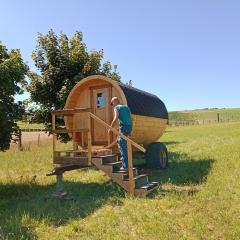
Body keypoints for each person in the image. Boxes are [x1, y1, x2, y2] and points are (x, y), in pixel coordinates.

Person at [108, 97, 132, 170]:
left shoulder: (116, 108)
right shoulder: (126, 107)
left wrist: (110, 128)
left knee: (121, 144)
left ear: (115, 101)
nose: (112, 105)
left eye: (112, 103)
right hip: (129, 127)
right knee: (123, 143)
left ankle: (125, 166)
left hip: (124, 127)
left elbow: (116, 118)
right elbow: (130, 118)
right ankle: (127, 164)